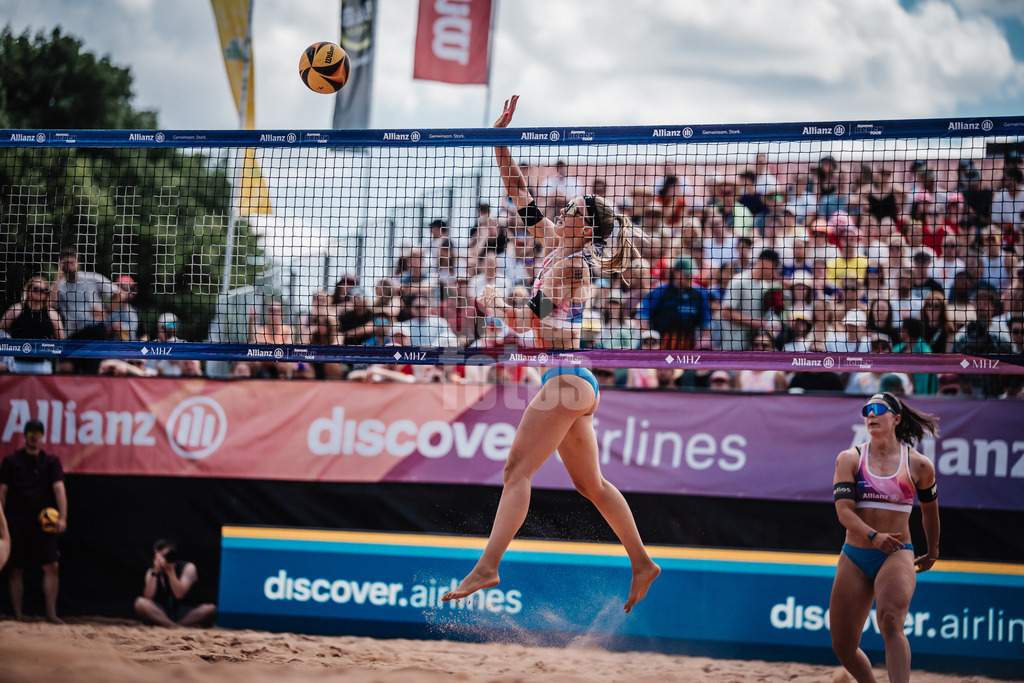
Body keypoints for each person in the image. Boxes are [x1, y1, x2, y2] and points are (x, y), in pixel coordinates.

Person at [442, 96, 660, 613]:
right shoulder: (552, 245)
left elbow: (530, 322)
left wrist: (495, 303)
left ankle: (488, 567)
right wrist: (499, 140)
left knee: (517, 472)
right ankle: (642, 561)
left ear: (586, 227)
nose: (564, 210)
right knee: (592, 485)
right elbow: (518, 191)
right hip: (571, 383)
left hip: (566, 382)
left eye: (576, 211)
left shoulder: (571, 266)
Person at [829, 392, 940, 683]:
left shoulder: (918, 465)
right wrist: (873, 535)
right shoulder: (850, 458)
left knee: (890, 621)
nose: (871, 415)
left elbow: (929, 513)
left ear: (897, 418)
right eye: (867, 410)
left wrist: (932, 551)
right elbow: (843, 512)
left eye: (878, 409)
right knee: (842, 646)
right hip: (856, 553)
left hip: (897, 552)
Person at [0, 419, 68, 623]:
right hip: (16, 520)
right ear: (24, 434)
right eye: (30, 432)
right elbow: (2, 492)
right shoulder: (11, 460)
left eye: (37, 432)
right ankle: (18, 615)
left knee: (52, 566)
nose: (33, 436)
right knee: (15, 568)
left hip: (43, 522)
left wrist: (63, 517)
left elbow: (59, 489)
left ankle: (51, 614)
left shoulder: (51, 461)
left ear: (42, 436)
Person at [133, 539, 217, 628]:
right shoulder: (152, 571)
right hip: (161, 612)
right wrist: (156, 572)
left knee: (210, 609)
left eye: (166, 555)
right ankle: (174, 626)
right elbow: (148, 597)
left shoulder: (188, 567)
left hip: (186, 611)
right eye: (160, 556)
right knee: (140, 603)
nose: (164, 559)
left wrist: (170, 571)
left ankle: (173, 625)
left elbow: (179, 594)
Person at [1, 276, 66, 374]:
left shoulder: (51, 314)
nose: (39, 292)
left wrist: (47, 348)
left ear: (46, 294)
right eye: (35, 288)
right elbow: (1, 332)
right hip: (16, 364)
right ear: (29, 290)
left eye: (43, 290)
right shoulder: (16, 309)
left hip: (42, 365)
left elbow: (61, 341)